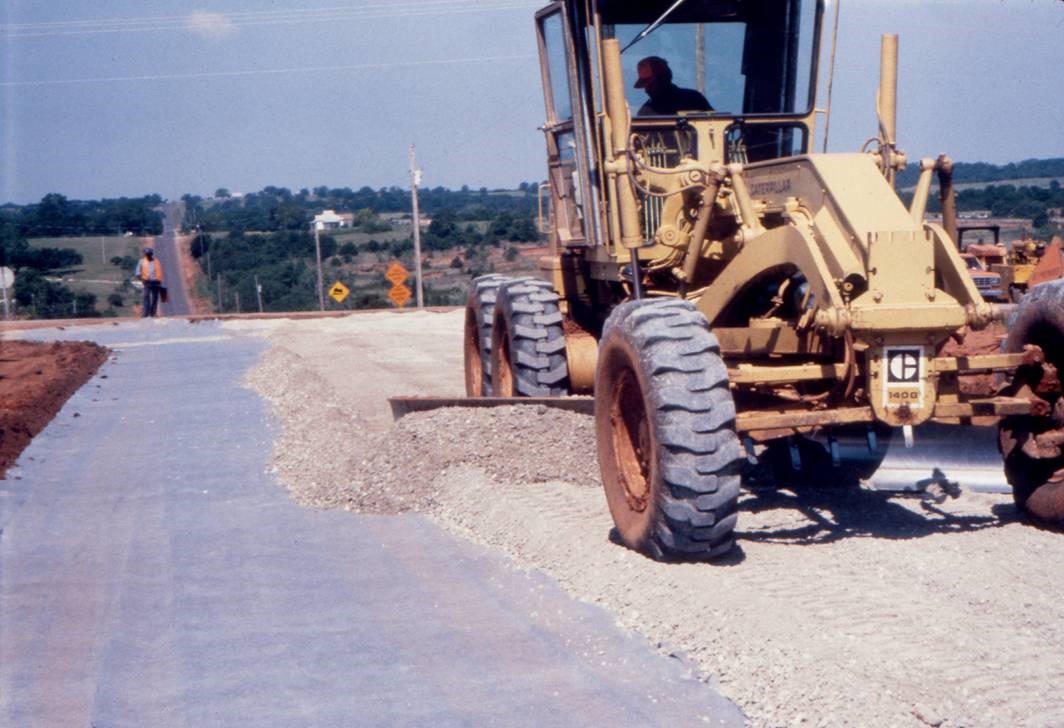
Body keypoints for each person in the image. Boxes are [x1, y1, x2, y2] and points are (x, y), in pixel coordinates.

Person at [633, 56, 713, 116]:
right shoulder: (645, 113)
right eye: (646, 86)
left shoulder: (694, 99)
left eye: (650, 84)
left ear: (664, 78)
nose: (646, 90)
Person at [136, 246, 164, 317]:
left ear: (152, 254)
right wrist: (142, 279)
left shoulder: (156, 261)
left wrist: (159, 280)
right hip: (147, 282)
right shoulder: (141, 261)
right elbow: (137, 272)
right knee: (146, 297)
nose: (148, 255)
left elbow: (159, 271)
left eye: (149, 253)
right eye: (147, 254)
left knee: (155, 298)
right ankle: (146, 313)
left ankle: (153, 313)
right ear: (145, 254)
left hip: (156, 282)